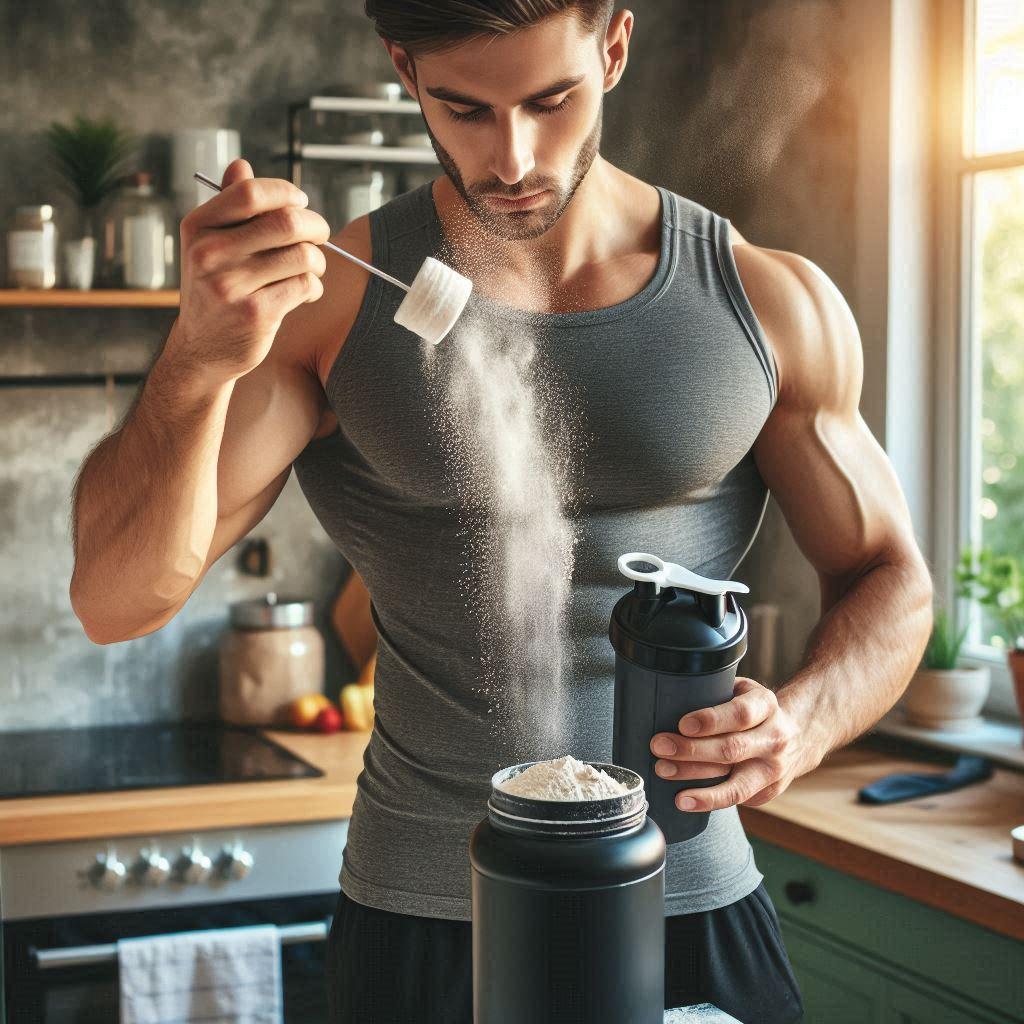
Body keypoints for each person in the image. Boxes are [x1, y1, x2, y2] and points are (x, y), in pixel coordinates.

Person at [69, 2, 933, 1022]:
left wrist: (802, 719)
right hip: (429, 916)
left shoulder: (763, 299)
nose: (511, 156)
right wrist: (198, 356)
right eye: (465, 109)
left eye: (550, 99)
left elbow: (892, 577)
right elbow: (118, 599)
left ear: (613, 47)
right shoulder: (331, 305)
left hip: (689, 901)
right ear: (405, 71)